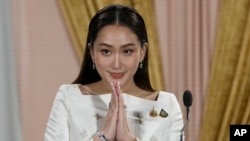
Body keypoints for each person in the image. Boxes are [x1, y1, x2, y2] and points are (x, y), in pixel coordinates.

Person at [44, 4, 184, 141]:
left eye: (127, 51)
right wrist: (102, 137)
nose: (116, 64)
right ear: (92, 52)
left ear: (142, 51)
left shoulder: (166, 105)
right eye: (106, 51)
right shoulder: (69, 98)